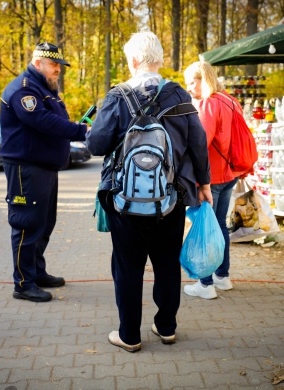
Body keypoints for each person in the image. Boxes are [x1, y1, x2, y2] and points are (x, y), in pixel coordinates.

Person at [86, 31, 212, 352]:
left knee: (128, 266)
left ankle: (129, 335)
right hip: (171, 198)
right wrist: (205, 184)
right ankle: (166, 327)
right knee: (167, 263)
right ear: (159, 60)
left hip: (124, 200)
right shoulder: (180, 97)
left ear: (133, 61)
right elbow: (198, 144)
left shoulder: (117, 97)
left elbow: (97, 145)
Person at [0, 42, 88, 303]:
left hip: (44, 168)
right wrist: (81, 131)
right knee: (27, 224)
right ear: (38, 63)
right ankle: (23, 284)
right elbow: (41, 120)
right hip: (26, 168)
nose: (58, 70)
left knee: (44, 223)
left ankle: (36, 272)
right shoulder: (23, 90)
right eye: (54, 65)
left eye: (60, 66)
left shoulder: (44, 88)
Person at [183, 60, 240, 299]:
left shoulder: (208, 104)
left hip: (211, 177)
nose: (188, 88)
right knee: (220, 227)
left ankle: (205, 284)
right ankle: (222, 276)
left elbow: (200, 144)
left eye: (192, 82)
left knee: (206, 228)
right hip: (229, 174)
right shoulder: (229, 101)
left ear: (203, 79)